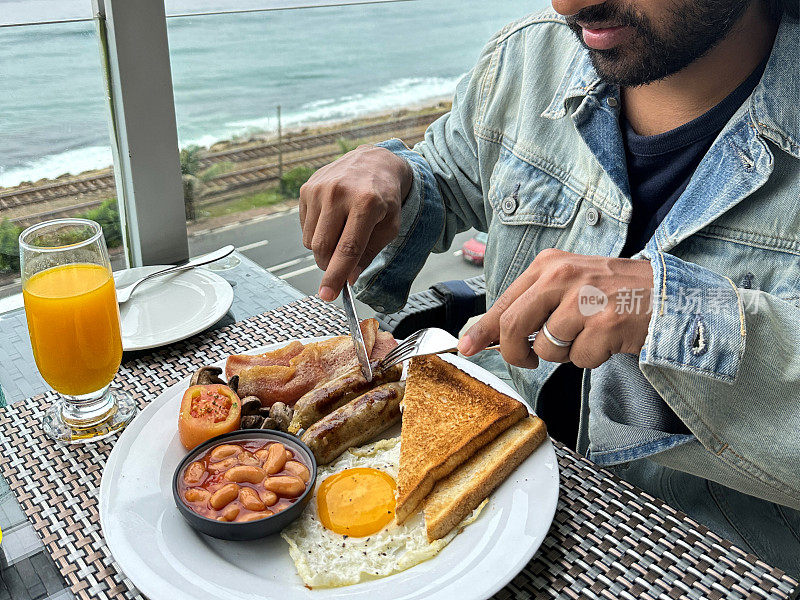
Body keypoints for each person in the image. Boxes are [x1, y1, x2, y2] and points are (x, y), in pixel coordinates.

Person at [298, 0, 800, 574]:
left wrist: (665, 308)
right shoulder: (529, 58)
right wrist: (393, 175)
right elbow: (449, 174)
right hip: (494, 519)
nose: (567, 4)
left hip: (709, 562)